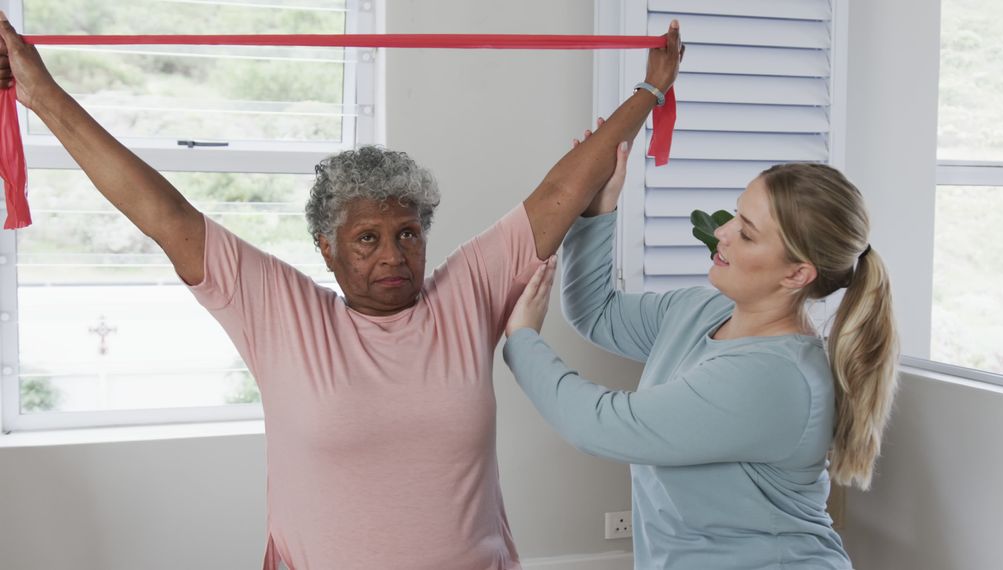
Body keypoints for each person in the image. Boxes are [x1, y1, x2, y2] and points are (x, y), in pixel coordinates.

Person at [0, 12, 682, 570]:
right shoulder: (281, 314)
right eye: (367, 239)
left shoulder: (465, 295)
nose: (394, 255)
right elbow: (165, 217)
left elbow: (561, 192)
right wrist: (43, 95)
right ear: (326, 247)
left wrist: (649, 93)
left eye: (408, 234)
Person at [503, 144, 899, 568]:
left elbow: (601, 424)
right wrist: (599, 210)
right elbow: (597, 313)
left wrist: (522, 339)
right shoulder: (701, 311)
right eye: (736, 214)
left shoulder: (775, 378)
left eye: (747, 233)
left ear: (797, 274)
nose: (723, 232)